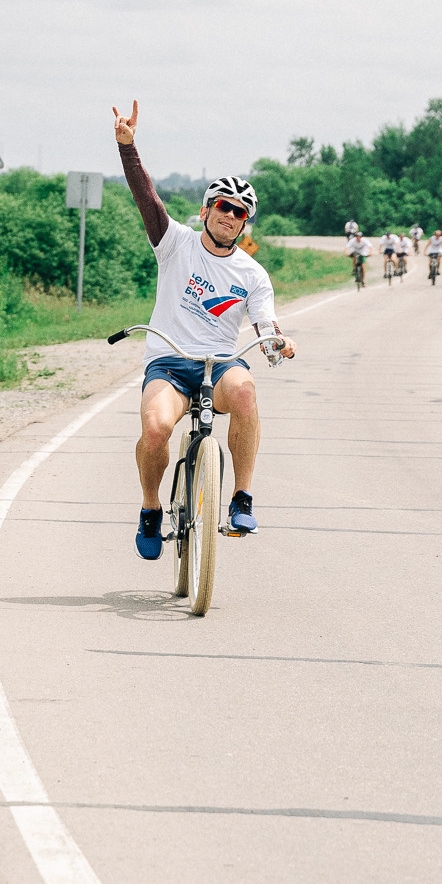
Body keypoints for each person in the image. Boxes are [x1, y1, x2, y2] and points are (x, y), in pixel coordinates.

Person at [113, 101, 293, 557]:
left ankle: (242, 498)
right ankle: (152, 508)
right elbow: (146, 198)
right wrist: (128, 148)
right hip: (170, 362)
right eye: (222, 206)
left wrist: (278, 344)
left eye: (239, 211)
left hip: (218, 363)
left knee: (248, 392)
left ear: (245, 222)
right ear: (206, 208)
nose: (229, 215)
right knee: (156, 430)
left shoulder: (253, 274)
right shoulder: (175, 243)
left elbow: (266, 327)